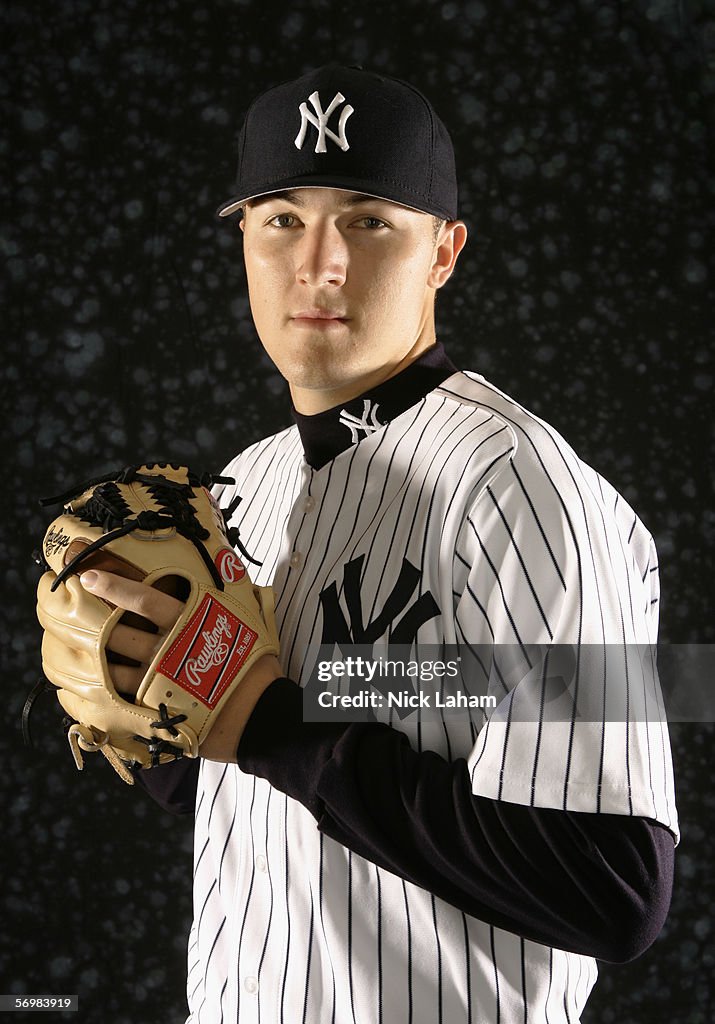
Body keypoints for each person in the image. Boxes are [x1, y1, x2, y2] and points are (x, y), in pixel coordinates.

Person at [52, 66, 679, 1022]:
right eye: (280, 219)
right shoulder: (242, 485)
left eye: (368, 219)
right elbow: (279, 803)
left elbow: (615, 887)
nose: (320, 262)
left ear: (443, 252)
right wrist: (151, 713)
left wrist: (272, 726)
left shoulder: (523, 487)